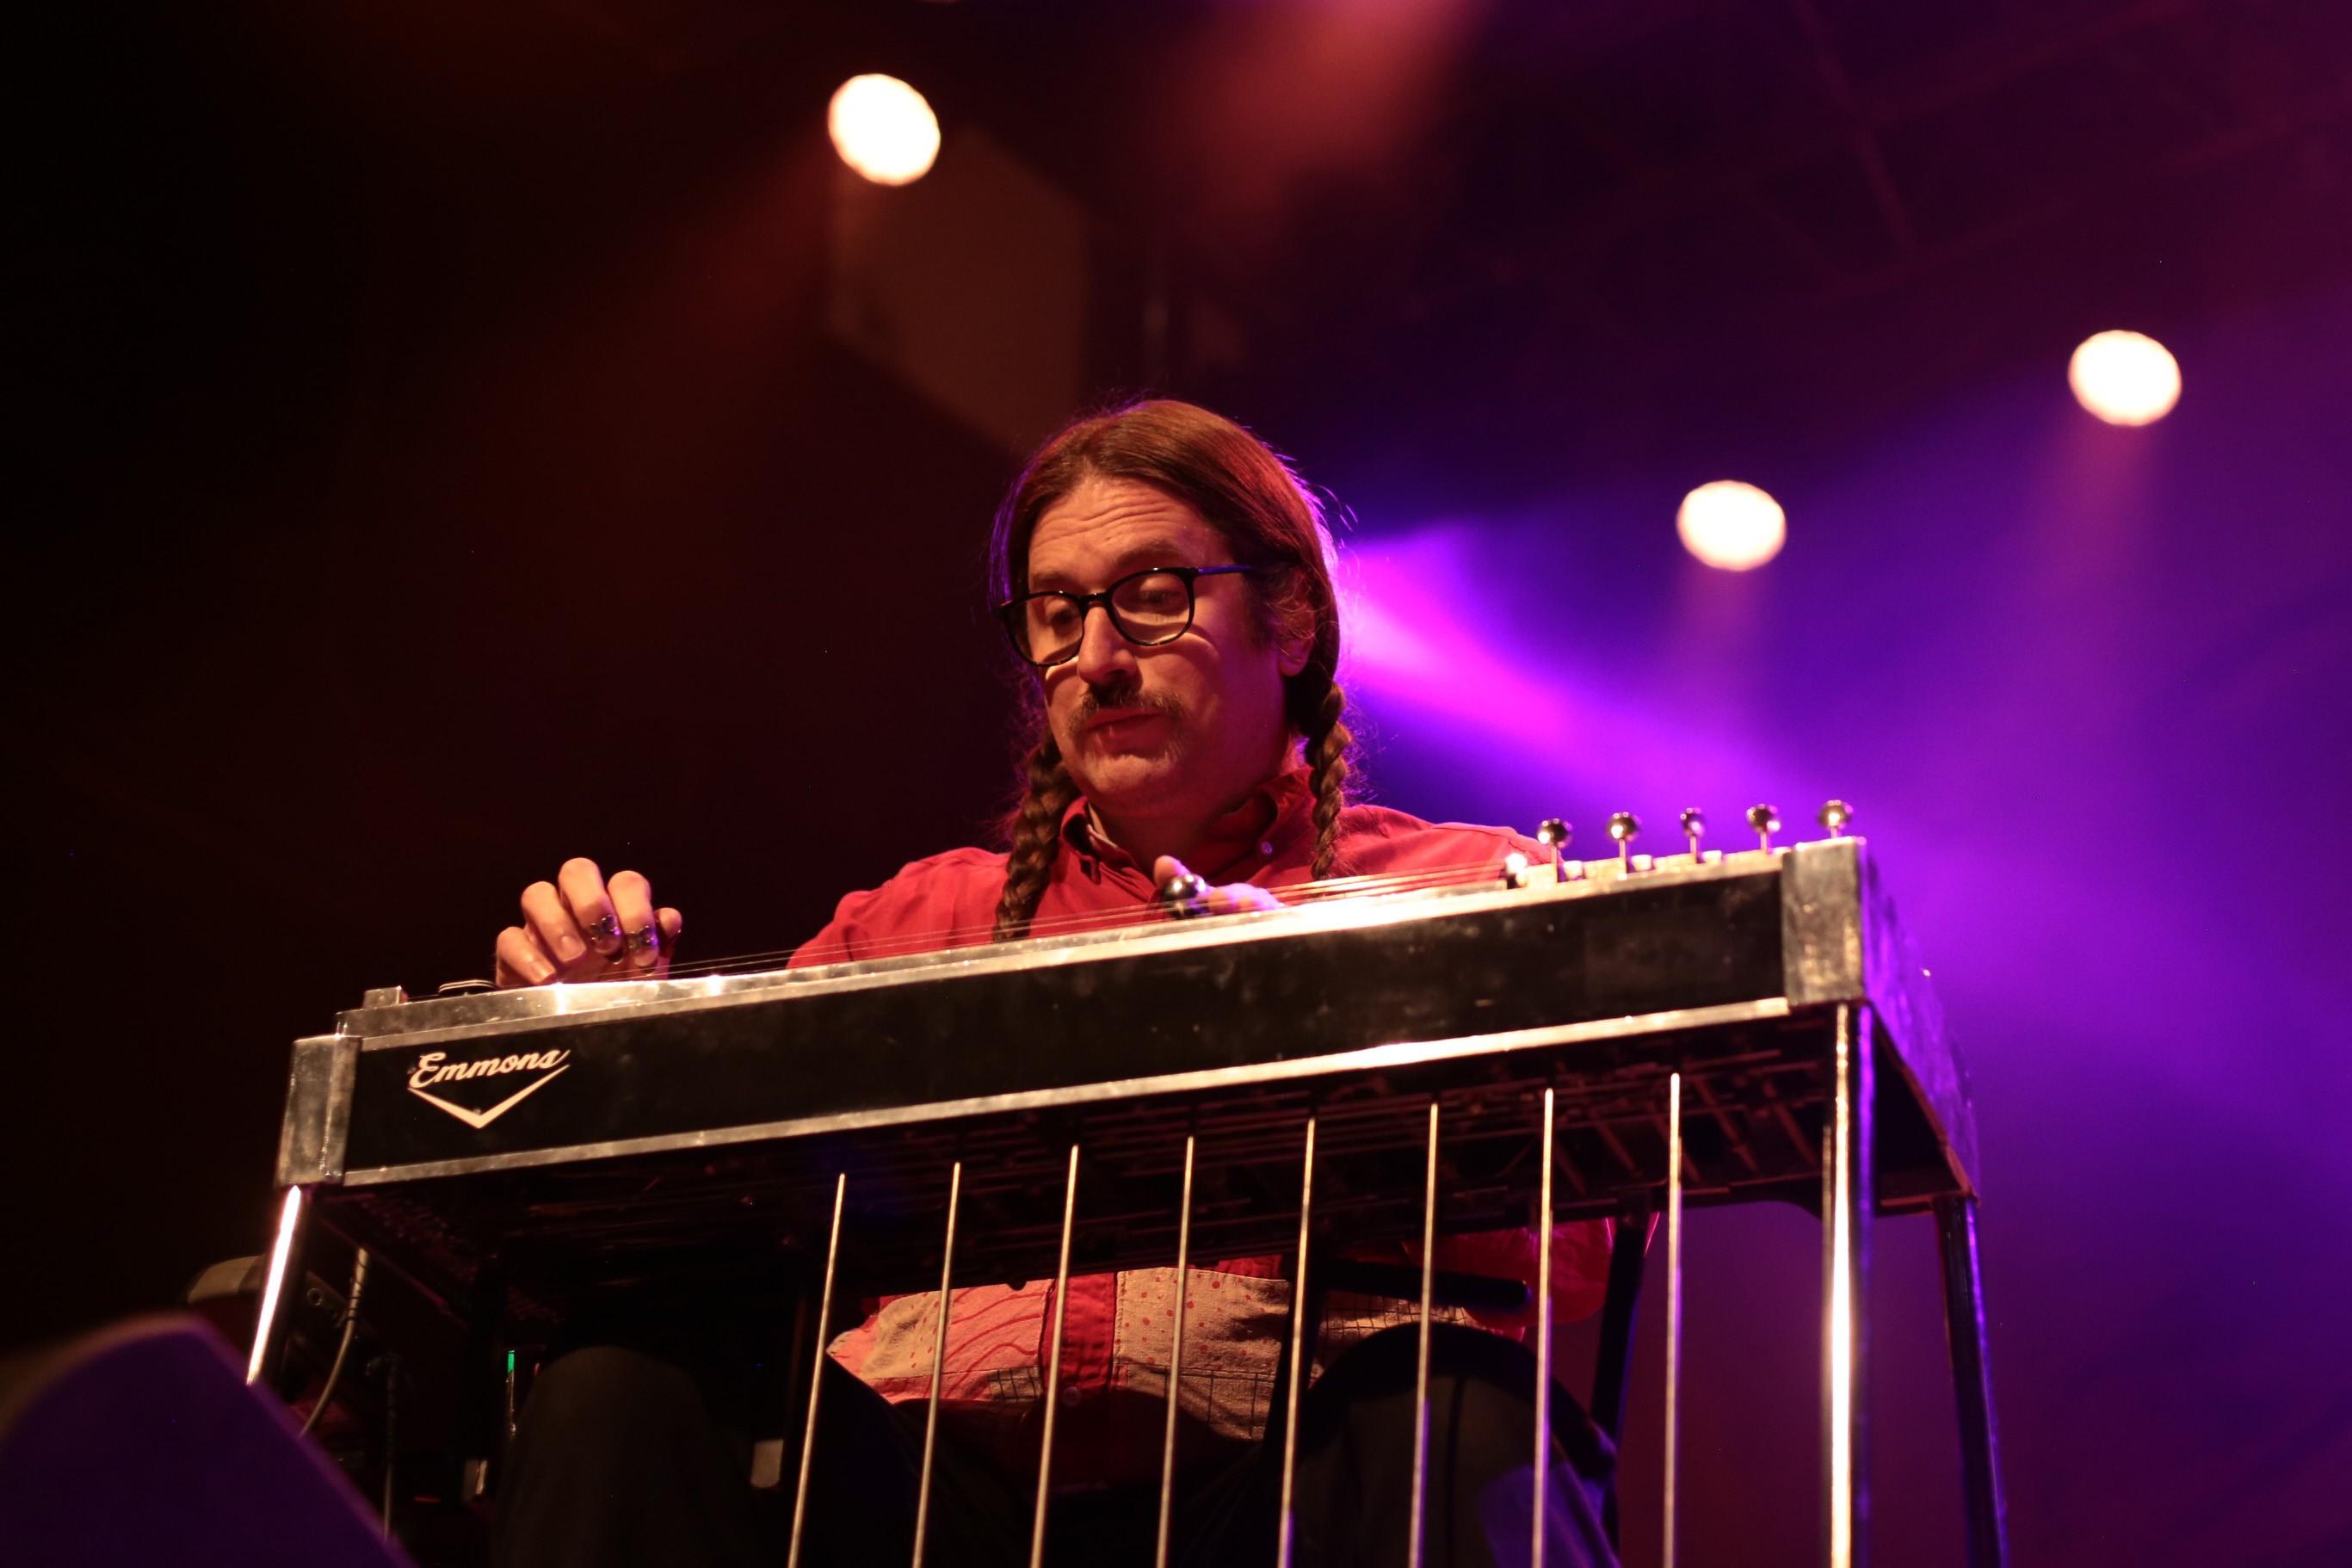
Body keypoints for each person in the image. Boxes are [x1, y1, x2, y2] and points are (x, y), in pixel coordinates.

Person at [487, 400, 1623, 1567]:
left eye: (1151, 594)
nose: (1094, 657)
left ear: (1287, 615)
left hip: (1280, 1502)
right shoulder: (915, 919)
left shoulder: (1467, 887)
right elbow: (718, 1222)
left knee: (1457, 1406)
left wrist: (1309, 1008)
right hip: (927, 1509)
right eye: (1057, 611)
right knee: (612, 1387)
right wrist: (600, 1040)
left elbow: (1578, 1238)